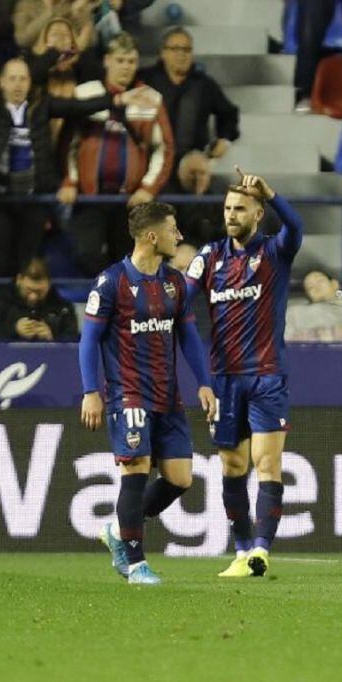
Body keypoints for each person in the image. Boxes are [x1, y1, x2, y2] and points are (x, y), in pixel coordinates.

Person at [79, 201, 216, 585]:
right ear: (152, 236)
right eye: (174, 229)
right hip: (128, 395)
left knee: (180, 478)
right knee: (135, 471)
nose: (180, 236)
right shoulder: (111, 283)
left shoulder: (174, 283)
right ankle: (136, 563)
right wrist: (92, 391)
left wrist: (204, 382)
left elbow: (188, 335)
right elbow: (88, 340)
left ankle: (118, 530)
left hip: (168, 397)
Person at [184, 167, 304, 578]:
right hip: (223, 379)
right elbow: (182, 298)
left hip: (267, 375)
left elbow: (296, 226)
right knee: (233, 467)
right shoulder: (210, 256)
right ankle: (240, 550)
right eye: (228, 208)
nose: (232, 215)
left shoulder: (274, 252)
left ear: (257, 215)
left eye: (241, 209)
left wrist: (271, 193)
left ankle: (261, 551)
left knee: (266, 464)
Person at [0, 55, 155, 277]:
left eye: (23, 79)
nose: (18, 84)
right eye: (12, 79)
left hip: (34, 200)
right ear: (1, 82)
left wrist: (117, 100)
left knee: (28, 266)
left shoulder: (42, 103)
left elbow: (77, 107)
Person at [59, 31, 176, 276]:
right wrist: (70, 181)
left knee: (131, 259)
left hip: (132, 203)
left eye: (131, 61)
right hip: (89, 199)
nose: (126, 67)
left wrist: (148, 188)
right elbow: (68, 144)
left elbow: (163, 150)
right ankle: (108, 293)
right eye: (120, 60)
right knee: (86, 253)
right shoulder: (85, 94)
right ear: (107, 60)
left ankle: (118, 301)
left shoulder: (152, 99)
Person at [137, 26, 240, 190]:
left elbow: (229, 114)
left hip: (191, 165)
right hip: (151, 163)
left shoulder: (204, 84)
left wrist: (225, 140)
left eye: (186, 49)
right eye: (175, 49)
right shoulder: (145, 80)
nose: (181, 54)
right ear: (163, 52)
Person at [0, 257, 79, 341]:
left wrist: (52, 338)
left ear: (49, 284)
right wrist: (13, 329)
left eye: (39, 292)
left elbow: (74, 340)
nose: (33, 297)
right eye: (29, 290)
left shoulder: (62, 307)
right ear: (19, 280)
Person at [285, 269, 342, 342]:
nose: (316, 287)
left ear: (334, 284)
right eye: (310, 287)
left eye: (320, 281)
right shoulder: (296, 313)